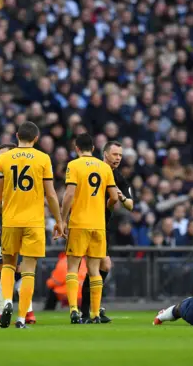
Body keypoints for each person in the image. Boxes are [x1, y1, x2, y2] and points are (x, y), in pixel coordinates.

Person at [0, 121, 64, 329]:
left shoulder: (4, 158)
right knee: (29, 270)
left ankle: (7, 303)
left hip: (11, 221)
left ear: (16, 135)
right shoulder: (43, 158)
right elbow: (50, 194)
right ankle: (21, 318)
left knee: (8, 265)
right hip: (34, 222)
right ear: (36, 138)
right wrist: (59, 221)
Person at [61, 133, 118, 324]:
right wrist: (103, 208)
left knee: (73, 269)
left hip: (79, 223)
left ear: (76, 148)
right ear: (93, 149)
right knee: (94, 270)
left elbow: (69, 195)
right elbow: (115, 198)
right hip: (98, 225)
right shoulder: (104, 167)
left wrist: (62, 218)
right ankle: (94, 314)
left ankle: (74, 311)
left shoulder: (73, 165)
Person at [81, 141, 133, 323]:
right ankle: (86, 311)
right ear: (105, 154)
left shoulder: (118, 177)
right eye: (115, 154)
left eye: (120, 155)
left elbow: (130, 205)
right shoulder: (92, 169)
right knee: (98, 266)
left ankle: (90, 309)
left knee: (101, 267)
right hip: (85, 223)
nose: (118, 158)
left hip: (102, 227)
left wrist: (121, 196)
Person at [0, 143, 37, 326]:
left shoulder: (2, 179)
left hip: (11, 225)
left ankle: (1, 311)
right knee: (25, 270)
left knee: (4, 268)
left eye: (3, 155)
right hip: (32, 225)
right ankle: (28, 312)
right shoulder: (29, 171)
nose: (0, 159)